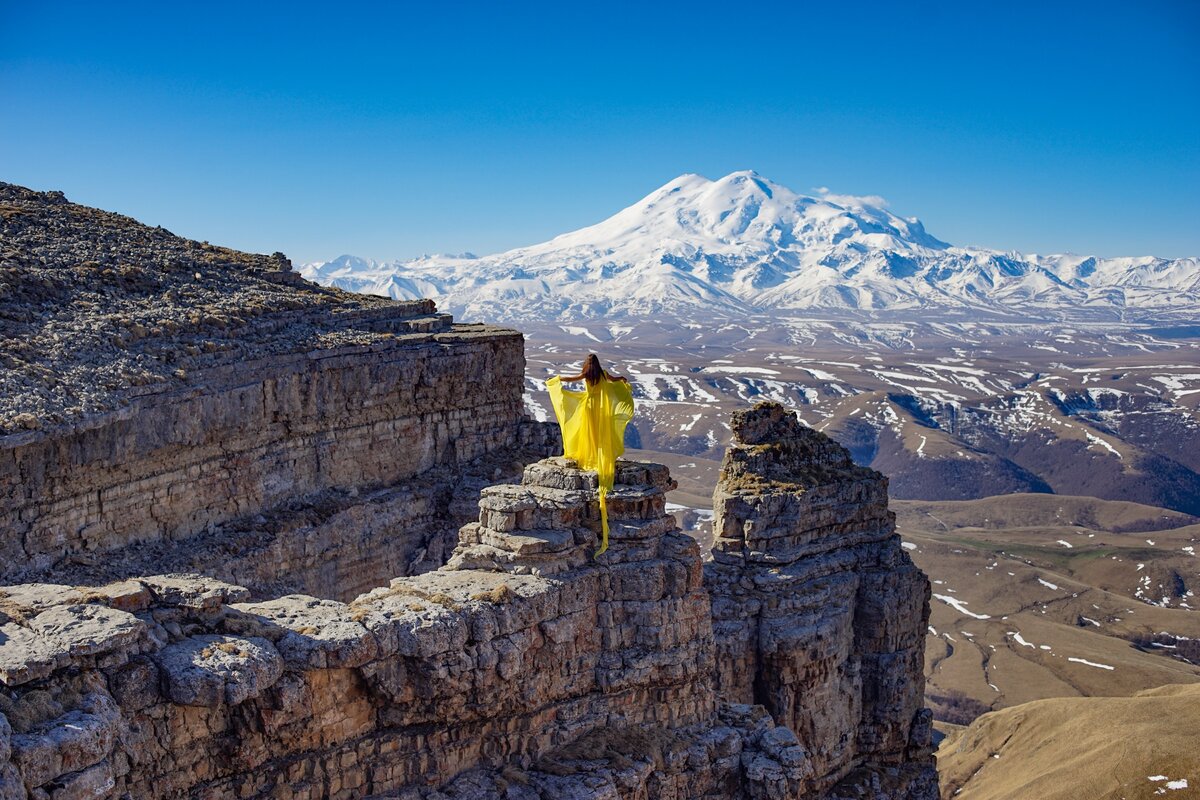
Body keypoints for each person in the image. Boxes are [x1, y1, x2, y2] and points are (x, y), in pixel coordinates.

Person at [546, 354, 635, 556]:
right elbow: (615, 380)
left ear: (587, 365)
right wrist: (622, 379)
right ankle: (599, 455)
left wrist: (557, 380)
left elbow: (571, 380)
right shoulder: (603, 374)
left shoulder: (586, 374)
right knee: (601, 434)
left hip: (589, 408)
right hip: (600, 410)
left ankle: (591, 456)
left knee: (589, 434)